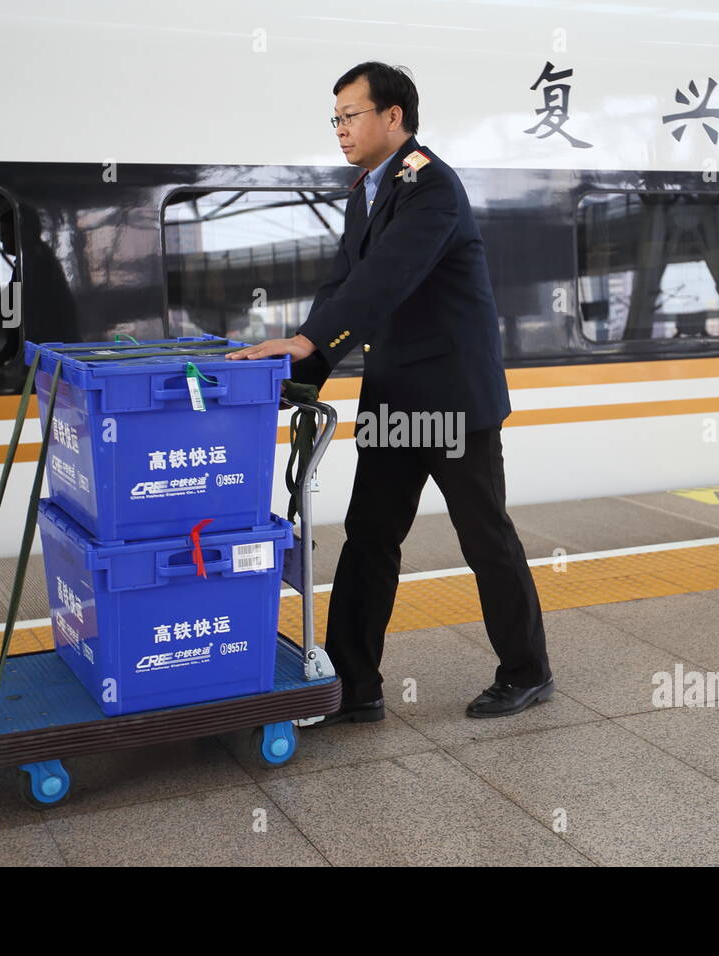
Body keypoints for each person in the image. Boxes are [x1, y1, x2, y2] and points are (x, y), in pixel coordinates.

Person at [227, 62, 553, 723]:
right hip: (396, 394)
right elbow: (342, 285)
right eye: (337, 118)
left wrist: (310, 341)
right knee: (369, 534)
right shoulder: (365, 193)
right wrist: (298, 371)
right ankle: (354, 686)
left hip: (454, 399)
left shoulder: (429, 184)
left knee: (484, 535)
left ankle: (527, 671)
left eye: (351, 115)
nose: (341, 129)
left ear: (393, 118)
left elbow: (386, 280)